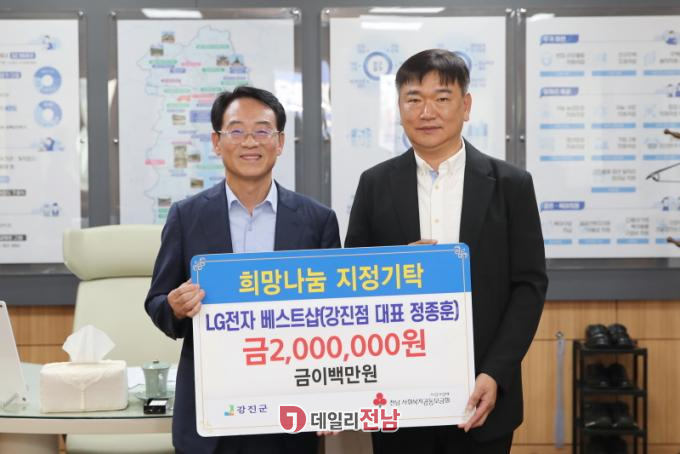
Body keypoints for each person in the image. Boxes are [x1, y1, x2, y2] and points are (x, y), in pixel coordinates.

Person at [345, 49, 548, 453]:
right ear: (399, 108)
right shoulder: (374, 184)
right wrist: (394, 268)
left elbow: (529, 285)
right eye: (414, 99)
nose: (427, 112)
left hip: (482, 393)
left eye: (442, 98)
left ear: (465, 106)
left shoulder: (511, 185)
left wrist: (496, 372)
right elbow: (351, 281)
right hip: (398, 396)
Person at [145, 86, 340, 454]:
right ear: (217, 143)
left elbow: (336, 318)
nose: (250, 141)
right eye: (236, 131)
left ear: (280, 142)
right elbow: (156, 302)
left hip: (290, 412)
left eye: (263, 130)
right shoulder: (186, 216)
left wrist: (331, 399)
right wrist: (174, 306)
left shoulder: (318, 220)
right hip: (211, 414)